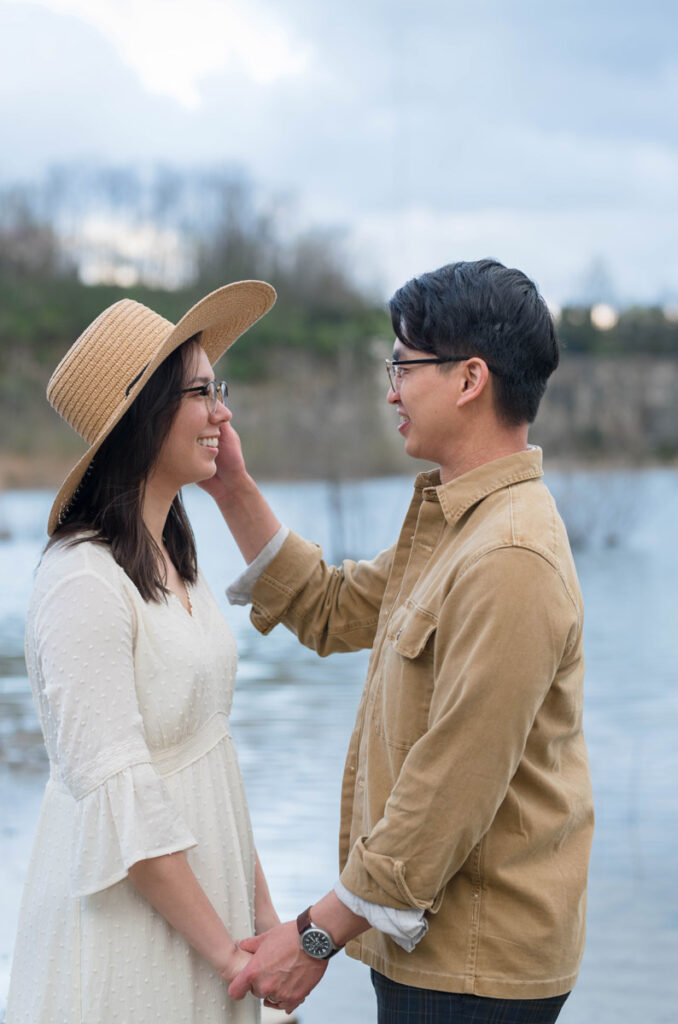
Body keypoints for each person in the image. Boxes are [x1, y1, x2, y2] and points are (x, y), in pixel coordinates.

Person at [203, 259, 594, 1022]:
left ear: (469, 379)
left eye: (404, 365)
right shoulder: (459, 527)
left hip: (475, 971)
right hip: (438, 959)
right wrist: (231, 488)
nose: (391, 390)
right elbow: (327, 608)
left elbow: (449, 788)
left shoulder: (509, 556)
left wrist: (314, 936)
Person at [6, 281, 281, 1023]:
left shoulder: (175, 563)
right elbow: (123, 806)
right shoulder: (81, 581)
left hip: (208, 929)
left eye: (217, 389)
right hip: (136, 942)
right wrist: (227, 955)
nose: (222, 413)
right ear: (142, 416)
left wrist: (262, 923)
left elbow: (209, 756)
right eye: (200, 392)